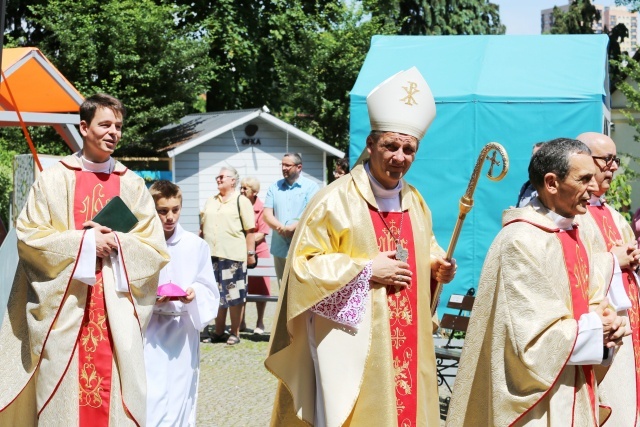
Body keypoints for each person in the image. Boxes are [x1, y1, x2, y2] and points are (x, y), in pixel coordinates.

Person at [265, 66, 456, 426]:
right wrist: (365, 270)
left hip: (409, 340)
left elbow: (425, 247)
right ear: (370, 144)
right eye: (390, 146)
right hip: (353, 345)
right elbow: (304, 267)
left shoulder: (416, 202)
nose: (399, 157)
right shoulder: (333, 201)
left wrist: (435, 267)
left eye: (409, 149)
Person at [0, 93, 169, 425]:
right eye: (105, 124)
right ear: (83, 127)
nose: (113, 133)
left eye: (118, 126)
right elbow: (30, 237)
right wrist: (86, 243)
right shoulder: (54, 179)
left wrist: (118, 242)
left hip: (115, 315)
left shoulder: (132, 185)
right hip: (64, 315)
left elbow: (154, 249)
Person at [447, 138, 631, 426]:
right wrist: (597, 330)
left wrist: (608, 322)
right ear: (551, 183)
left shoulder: (582, 231)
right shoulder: (520, 241)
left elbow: (594, 294)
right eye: (583, 180)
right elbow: (530, 339)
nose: (593, 188)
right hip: (538, 398)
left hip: (576, 381)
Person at [575, 132, 640, 426]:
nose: (614, 167)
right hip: (601, 329)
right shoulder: (573, 215)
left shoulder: (613, 214)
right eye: (608, 159)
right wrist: (614, 260)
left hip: (628, 324)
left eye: (615, 160)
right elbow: (571, 271)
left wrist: (632, 259)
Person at [145, 180, 219, 426]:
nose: (170, 217)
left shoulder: (196, 245)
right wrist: (150, 296)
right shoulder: (142, 244)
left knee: (180, 393)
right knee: (151, 395)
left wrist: (193, 293)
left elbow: (208, 286)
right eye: (163, 211)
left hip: (182, 328)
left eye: (175, 210)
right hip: (151, 329)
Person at [201, 166, 256, 346]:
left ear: (233, 180)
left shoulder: (241, 201)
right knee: (215, 294)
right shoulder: (210, 201)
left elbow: (250, 231)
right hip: (211, 256)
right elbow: (202, 229)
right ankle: (218, 331)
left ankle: (235, 331)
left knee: (234, 296)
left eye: (222, 176)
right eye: (217, 177)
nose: (218, 179)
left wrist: (250, 254)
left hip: (233, 256)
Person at [263, 153, 319, 284]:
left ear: (299, 167)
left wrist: (293, 228)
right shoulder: (274, 187)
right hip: (280, 248)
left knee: (301, 289)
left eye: (287, 165)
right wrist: (281, 228)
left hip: (302, 248)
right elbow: (267, 214)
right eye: (282, 165)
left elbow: (311, 213)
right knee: (282, 288)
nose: (283, 168)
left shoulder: (311, 187)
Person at [240, 176, 270, 334]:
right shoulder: (237, 205)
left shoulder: (263, 208)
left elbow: (262, 233)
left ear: (255, 192)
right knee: (241, 288)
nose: (242, 191)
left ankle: (260, 322)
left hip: (259, 251)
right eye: (241, 188)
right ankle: (241, 321)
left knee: (261, 289)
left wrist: (246, 240)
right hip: (240, 252)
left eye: (245, 188)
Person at [515, 141, 545, 207]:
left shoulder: (549, 190)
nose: (534, 160)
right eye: (533, 156)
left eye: (538, 157)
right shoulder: (526, 186)